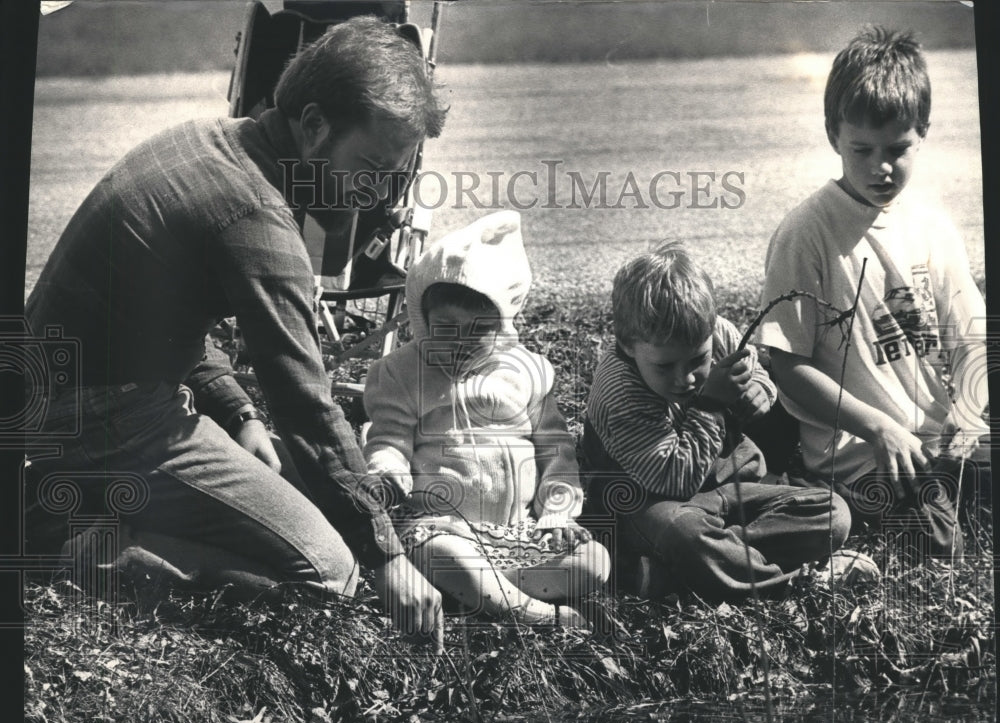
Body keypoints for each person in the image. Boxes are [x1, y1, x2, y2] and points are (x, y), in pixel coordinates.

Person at [24, 16, 449, 644]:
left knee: (298, 501)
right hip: (101, 421)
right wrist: (388, 557)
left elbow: (161, 315)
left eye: (395, 176)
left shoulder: (211, 141)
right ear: (313, 126)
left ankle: (76, 507)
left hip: (66, 400)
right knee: (330, 572)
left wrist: (238, 412)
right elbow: (305, 403)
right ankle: (75, 548)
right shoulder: (257, 218)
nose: (380, 196)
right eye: (371, 167)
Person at [757, 27, 989, 563]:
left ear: (922, 132)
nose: (880, 167)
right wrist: (879, 427)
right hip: (862, 457)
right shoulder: (807, 233)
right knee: (936, 543)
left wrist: (974, 415)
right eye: (862, 149)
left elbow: (973, 337)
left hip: (938, 440)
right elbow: (785, 366)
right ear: (833, 134)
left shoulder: (932, 225)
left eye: (898, 149)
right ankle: (846, 523)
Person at [363, 211, 611, 627]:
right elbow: (389, 438)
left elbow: (557, 452)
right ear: (422, 321)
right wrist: (390, 471)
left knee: (593, 561)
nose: (458, 343)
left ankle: (486, 593)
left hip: (517, 533)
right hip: (441, 527)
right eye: (445, 328)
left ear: (503, 327)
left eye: (476, 330)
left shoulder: (527, 374)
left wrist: (556, 514)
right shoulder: (403, 374)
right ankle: (535, 614)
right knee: (443, 555)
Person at [582, 241, 864, 601]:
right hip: (652, 503)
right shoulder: (619, 391)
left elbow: (755, 371)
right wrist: (711, 405)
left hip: (728, 491)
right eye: (665, 367)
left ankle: (678, 575)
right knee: (683, 535)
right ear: (626, 346)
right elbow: (675, 481)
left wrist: (760, 391)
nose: (685, 379)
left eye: (697, 360)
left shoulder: (718, 334)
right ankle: (796, 582)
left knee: (832, 513)